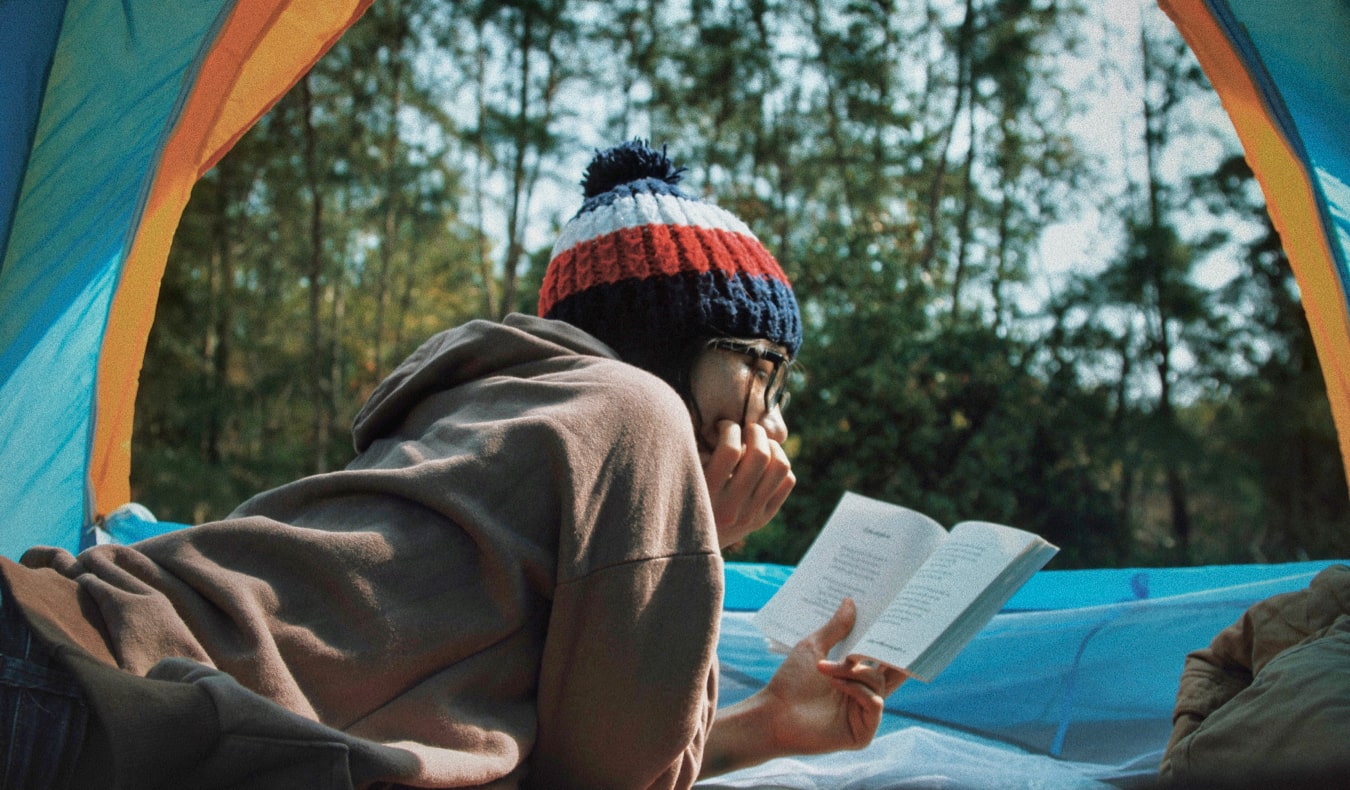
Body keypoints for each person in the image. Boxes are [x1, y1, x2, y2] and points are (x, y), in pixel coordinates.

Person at [0, 140, 905, 789]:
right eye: (763, 368)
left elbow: (566, 745)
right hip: (83, 695)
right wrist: (701, 541)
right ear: (672, 342)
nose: (775, 416)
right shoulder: (640, 413)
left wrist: (769, 727)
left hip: (60, 653)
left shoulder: (499, 411)